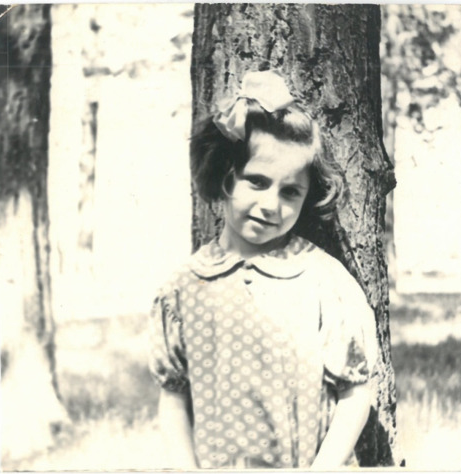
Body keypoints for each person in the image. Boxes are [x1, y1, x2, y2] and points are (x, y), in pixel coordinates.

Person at [148, 70, 378, 469]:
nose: (271, 205)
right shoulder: (183, 288)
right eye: (256, 182)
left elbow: (357, 392)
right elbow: (173, 398)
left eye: (290, 192)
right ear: (224, 176)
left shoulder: (322, 282)